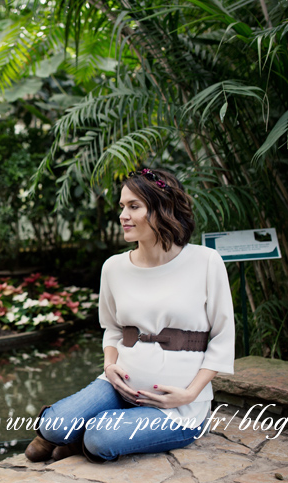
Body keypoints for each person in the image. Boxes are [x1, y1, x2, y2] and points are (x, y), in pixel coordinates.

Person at [24, 168, 235, 463]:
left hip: (177, 408)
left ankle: (88, 436)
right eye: (122, 206)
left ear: (163, 209)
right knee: (52, 425)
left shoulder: (205, 261)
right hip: (118, 387)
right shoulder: (113, 267)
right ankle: (75, 433)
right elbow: (111, 328)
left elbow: (224, 338)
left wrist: (189, 396)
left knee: (101, 438)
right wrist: (110, 366)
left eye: (134, 206)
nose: (123, 215)